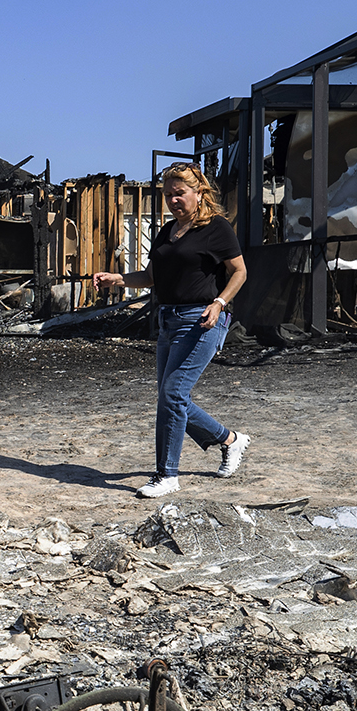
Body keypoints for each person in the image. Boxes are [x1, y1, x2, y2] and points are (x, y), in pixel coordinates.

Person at [92, 162, 251, 498]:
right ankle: (230, 440)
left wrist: (220, 302)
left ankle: (167, 475)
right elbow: (150, 277)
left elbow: (239, 272)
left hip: (203, 319)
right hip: (168, 319)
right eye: (168, 195)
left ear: (199, 193)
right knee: (170, 397)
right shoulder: (167, 232)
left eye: (180, 194)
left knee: (173, 395)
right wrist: (118, 278)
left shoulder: (216, 228)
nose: (173, 201)